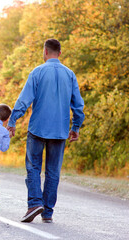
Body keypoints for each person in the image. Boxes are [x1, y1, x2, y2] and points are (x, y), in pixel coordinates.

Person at [7, 39, 85, 223]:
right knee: (53, 172)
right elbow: (79, 106)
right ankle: (47, 213)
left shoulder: (37, 72)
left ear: (45, 51)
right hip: (59, 131)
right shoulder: (70, 74)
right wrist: (75, 127)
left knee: (33, 166)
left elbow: (24, 100)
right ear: (59, 53)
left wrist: (12, 119)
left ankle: (35, 203)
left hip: (38, 129)